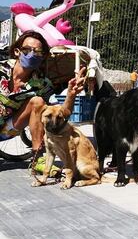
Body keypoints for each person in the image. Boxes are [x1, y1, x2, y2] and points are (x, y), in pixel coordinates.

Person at [0, 30, 86, 170]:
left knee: (38, 101)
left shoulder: (42, 84)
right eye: (27, 50)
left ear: (43, 57)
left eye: (38, 52)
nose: (32, 55)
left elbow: (61, 113)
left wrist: (71, 94)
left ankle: (37, 158)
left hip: (6, 130)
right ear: (17, 51)